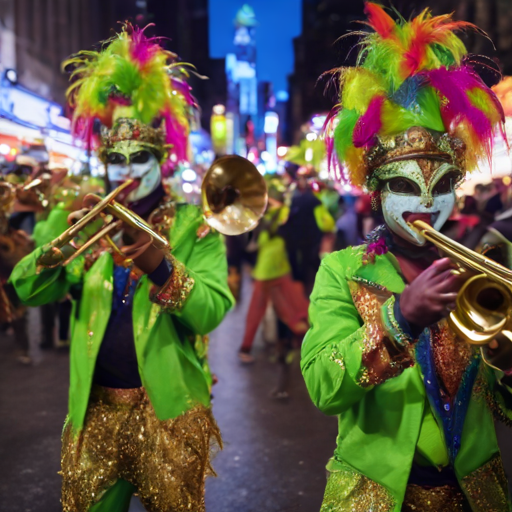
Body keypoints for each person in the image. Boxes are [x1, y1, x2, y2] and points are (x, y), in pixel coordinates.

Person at [11, 24, 233, 512]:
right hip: (93, 415)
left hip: (171, 416)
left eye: (140, 159)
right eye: (115, 158)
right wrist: (59, 248)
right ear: (103, 163)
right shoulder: (78, 215)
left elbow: (211, 312)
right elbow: (24, 290)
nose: (127, 171)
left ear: (163, 161)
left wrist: (160, 265)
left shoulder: (196, 225)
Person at [301, 4, 512, 511]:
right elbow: (324, 387)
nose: (423, 204)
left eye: (440, 187)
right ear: (375, 192)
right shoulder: (342, 270)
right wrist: (400, 319)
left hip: (473, 495)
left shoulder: (488, 263)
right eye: (404, 186)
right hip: (372, 496)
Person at [239, 180, 309, 366]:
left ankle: (246, 347)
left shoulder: (265, 215)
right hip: (275, 267)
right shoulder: (275, 213)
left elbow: (259, 241)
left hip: (271, 268)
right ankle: (306, 338)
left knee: (288, 306)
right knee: (294, 305)